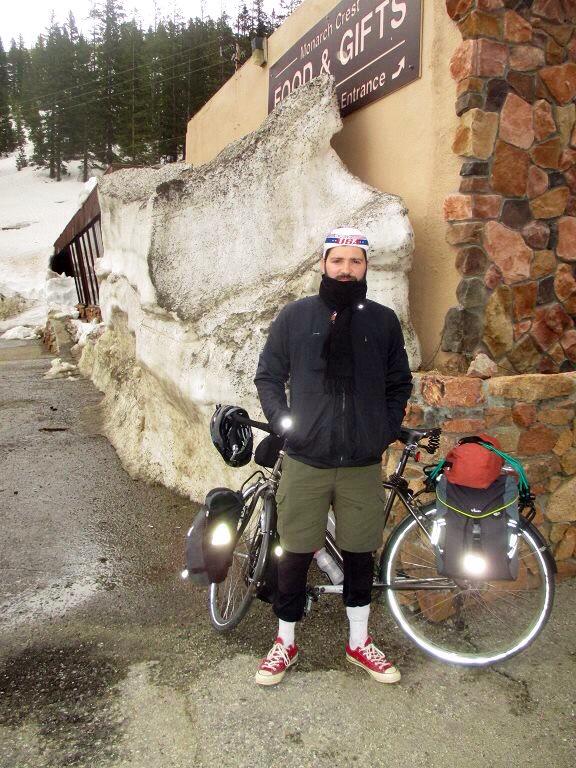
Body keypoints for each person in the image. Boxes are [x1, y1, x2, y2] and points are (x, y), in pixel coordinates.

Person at [253, 226, 413, 686]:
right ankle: (285, 642)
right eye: (337, 260)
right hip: (306, 460)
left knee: (360, 553)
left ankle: (359, 642)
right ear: (323, 264)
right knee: (294, 553)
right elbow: (268, 376)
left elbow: (398, 383)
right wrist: (287, 424)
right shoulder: (296, 316)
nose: (346, 269)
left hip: (360, 463)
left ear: (365, 267)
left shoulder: (382, 321)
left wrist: (381, 431)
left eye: (354, 261)